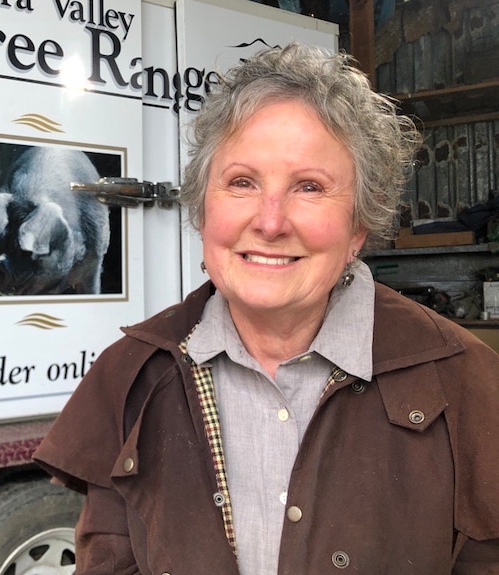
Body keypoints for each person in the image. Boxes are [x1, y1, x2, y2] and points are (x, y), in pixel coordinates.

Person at [33, 43, 499, 574]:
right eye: (242, 183)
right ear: (203, 210)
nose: (271, 222)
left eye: (309, 187)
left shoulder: (466, 382)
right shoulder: (132, 375)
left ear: (359, 228)